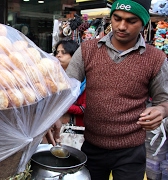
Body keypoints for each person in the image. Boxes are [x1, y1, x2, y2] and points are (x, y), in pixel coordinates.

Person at [48, 0, 168, 179]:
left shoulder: (156, 58)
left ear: (144, 23)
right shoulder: (88, 49)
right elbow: (67, 88)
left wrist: (160, 110)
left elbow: (163, 99)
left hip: (131, 152)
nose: (121, 26)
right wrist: (53, 114)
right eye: (117, 18)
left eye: (131, 21)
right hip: (92, 147)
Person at [44, 39, 85, 144]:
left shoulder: (84, 81)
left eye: (64, 52)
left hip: (73, 129)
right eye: (57, 52)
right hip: (51, 124)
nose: (59, 55)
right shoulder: (52, 77)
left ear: (74, 56)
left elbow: (83, 109)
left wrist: (61, 104)